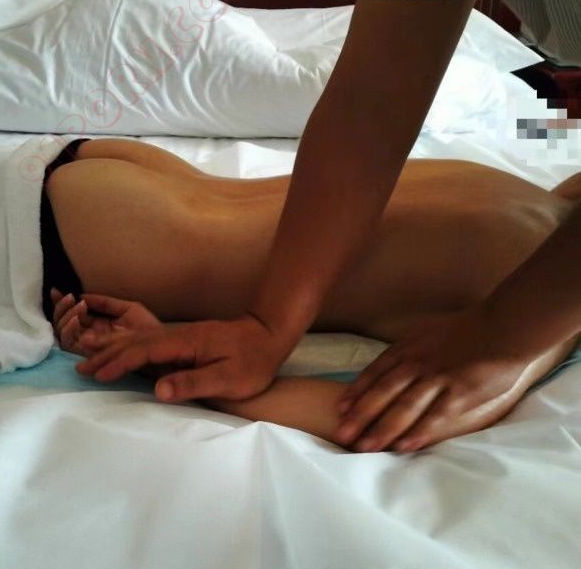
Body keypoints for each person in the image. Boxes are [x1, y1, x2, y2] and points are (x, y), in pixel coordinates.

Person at [56, 0, 581, 453]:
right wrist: (246, 336)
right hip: (120, 235)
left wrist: (210, 350)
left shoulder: (528, 304)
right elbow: (371, 104)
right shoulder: (531, 278)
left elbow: (368, 412)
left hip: (111, 201)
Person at [41, 136, 580, 451]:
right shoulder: (535, 312)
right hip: (118, 239)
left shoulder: (532, 203)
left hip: (113, 166)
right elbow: (360, 419)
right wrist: (168, 366)